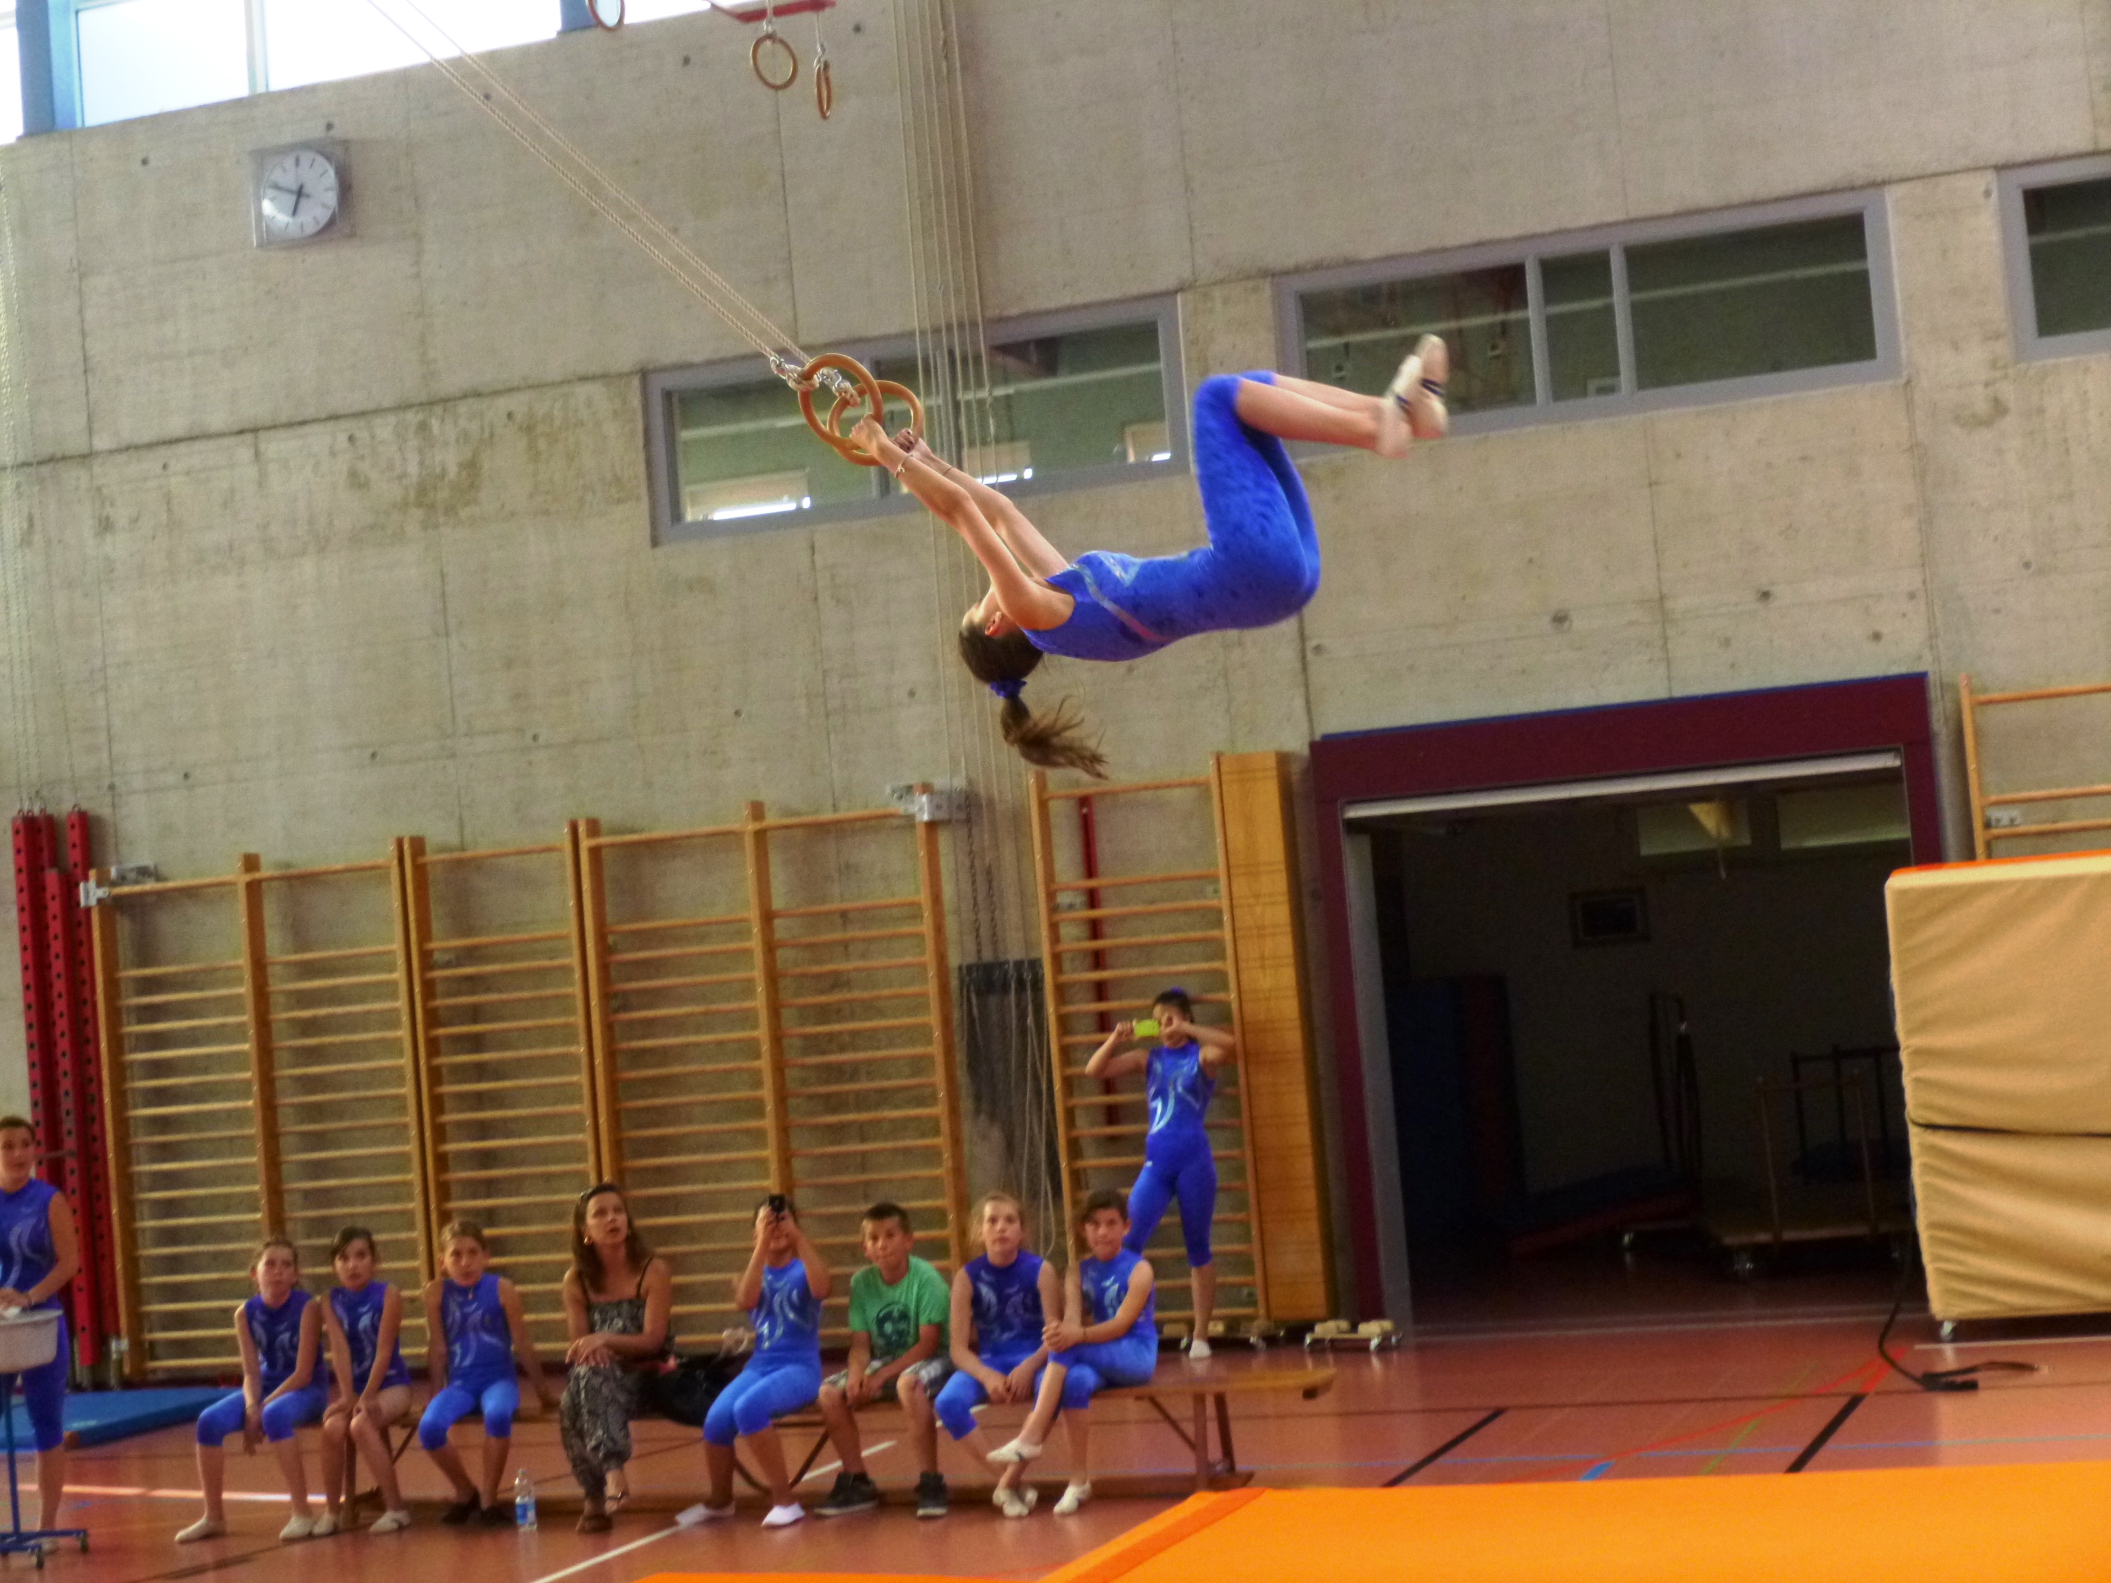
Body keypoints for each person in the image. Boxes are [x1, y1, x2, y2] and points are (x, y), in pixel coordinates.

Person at [851, 337, 1448, 774]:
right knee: (1217, 398)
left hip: (1279, 581)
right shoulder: (1034, 615)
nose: (984, 595)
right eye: (977, 607)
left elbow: (1001, 512)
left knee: (1253, 397)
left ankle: (1397, 414)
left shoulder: (1063, 595)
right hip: (1250, 572)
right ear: (995, 624)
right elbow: (963, 514)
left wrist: (928, 460)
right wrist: (883, 454)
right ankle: (1379, 427)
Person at [988, 1189, 1158, 1516]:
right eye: (1094, 1224)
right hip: (1096, 1351)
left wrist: (1073, 1336)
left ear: (1126, 1227)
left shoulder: (1140, 1269)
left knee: (1069, 1347)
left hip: (1135, 1354)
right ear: (1083, 1229)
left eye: (1111, 1223)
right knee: (1074, 1381)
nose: (1103, 1232)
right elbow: (1071, 1321)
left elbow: (1121, 1324)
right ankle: (1078, 1480)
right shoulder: (1077, 1271)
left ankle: (1030, 1436)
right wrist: (1057, 1332)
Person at [1086, 988, 1237, 1358]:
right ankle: (1124, 1327)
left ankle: (1200, 1336)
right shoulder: (1147, 1058)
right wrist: (1116, 1038)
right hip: (1156, 1165)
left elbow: (1230, 1045)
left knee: (1198, 1248)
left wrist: (1187, 1028)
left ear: (1185, 1019)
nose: (1164, 1027)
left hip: (1194, 1163)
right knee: (1128, 1242)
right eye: (1158, 1021)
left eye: (1170, 1019)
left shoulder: (1201, 1056)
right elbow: (1094, 1070)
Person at [177, 1237, 329, 1543]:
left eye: (286, 1265)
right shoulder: (244, 1313)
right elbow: (250, 1372)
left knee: (275, 1415)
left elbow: (302, 1373)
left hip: (306, 1388)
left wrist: (262, 1408)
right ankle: (213, 1517)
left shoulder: (308, 1308)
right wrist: (250, 1406)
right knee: (208, 1421)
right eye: (270, 1264)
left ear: (295, 1275)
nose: (278, 1271)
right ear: (254, 1273)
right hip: (266, 1386)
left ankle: (302, 1512)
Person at [691, 1196, 830, 1529]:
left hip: (800, 1368)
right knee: (716, 1420)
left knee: (748, 1408)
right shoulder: (751, 1274)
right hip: (760, 1365)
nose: (776, 1226)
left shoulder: (805, 1269)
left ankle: (785, 1501)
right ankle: (721, 1501)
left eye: (783, 1220)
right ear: (754, 1233)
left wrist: (798, 1237)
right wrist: (762, 1246)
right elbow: (746, 1299)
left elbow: (823, 1287)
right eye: (767, 1222)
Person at [814, 1201, 953, 1519]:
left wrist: (880, 1377)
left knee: (909, 1385)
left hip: (933, 1356)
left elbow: (928, 1344)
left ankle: (931, 1481)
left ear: (908, 1240)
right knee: (829, 1392)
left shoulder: (926, 1279)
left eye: (890, 1235)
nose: (882, 1244)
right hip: (888, 1359)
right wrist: (856, 1374)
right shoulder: (861, 1283)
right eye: (874, 1238)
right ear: (865, 1248)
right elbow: (861, 1345)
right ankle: (857, 1481)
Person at [930, 1192, 1061, 1518]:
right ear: (979, 1231)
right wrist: (987, 1375)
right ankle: (1008, 1482)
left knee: (1057, 1390)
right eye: (992, 1221)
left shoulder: (1041, 1270)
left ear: (1022, 1230)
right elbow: (958, 1349)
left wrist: (1029, 1367)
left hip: (1035, 1358)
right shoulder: (966, 1277)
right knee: (947, 1402)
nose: (1001, 1227)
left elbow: (1056, 1336)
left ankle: (1007, 1484)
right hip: (990, 1361)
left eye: (1009, 1220)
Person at [419, 1219, 557, 1525]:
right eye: (456, 1255)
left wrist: (543, 1392)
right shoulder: (436, 1293)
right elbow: (438, 1348)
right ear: (442, 1262)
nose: (465, 1262)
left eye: (472, 1253)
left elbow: (522, 1342)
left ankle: (489, 1499)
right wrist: (434, 1393)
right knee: (429, 1428)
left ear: (486, 1256)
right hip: (461, 1384)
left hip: (498, 1381)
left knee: (497, 1415)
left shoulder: (502, 1289)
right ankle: (465, 1491)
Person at [560, 1183, 672, 1534]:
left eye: (618, 1211)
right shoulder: (576, 1280)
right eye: (601, 1214)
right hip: (600, 1375)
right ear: (585, 1231)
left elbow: (652, 1341)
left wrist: (605, 1339)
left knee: (584, 1382)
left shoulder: (653, 1270)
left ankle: (600, 1487)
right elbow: (580, 1343)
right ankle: (604, 1482)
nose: (612, 1219)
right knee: (575, 1392)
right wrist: (596, 1349)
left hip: (648, 1376)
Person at [0, 1117, 79, 1540]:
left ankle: (46, 1527)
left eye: (24, 1145)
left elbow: (69, 1262)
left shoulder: (49, 1200)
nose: (17, 1154)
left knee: (46, 1424)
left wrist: (28, 1297)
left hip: (40, 1323)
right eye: (7, 1146)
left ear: (34, 1149)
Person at [316, 1225, 415, 1536]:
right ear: (334, 1265)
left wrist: (369, 1394)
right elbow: (340, 1350)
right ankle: (333, 1511)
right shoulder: (330, 1300)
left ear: (375, 1260)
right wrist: (348, 1395)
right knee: (333, 1427)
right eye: (344, 1258)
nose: (352, 1265)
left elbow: (384, 1350)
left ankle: (396, 1508)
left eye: (360, 1256)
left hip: (392, 1385)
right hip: (356, 1389)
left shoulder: (388, 1294)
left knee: (361, 1424)